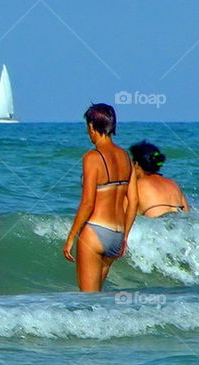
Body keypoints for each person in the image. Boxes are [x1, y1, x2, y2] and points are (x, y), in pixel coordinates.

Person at [63, 104, 138, 292]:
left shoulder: (92, 157)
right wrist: (125, 237)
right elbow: (134, 201)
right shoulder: (125, 156)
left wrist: (71, 237)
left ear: (91, 126)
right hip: (117, 235)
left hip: (95, 232)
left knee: (88, 301)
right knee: (99, 301)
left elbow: (88, 203)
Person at [129, 140, 190, 217]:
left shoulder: (136, 185)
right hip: (183, 223)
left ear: (136, 164)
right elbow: (187, 212)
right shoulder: (173, 184)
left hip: (159, 224)